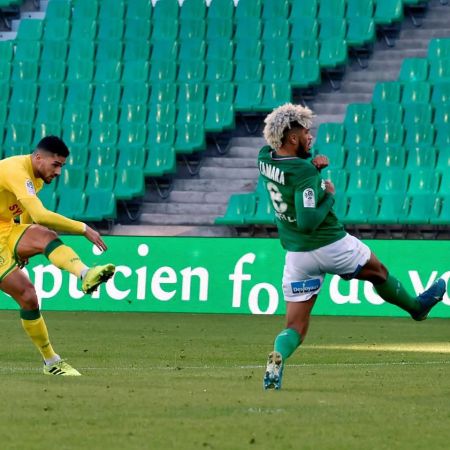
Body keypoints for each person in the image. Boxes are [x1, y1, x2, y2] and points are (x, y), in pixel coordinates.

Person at [258, 104, 446, 390]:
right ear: (292, 138)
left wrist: (312, 170)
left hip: (297, 256)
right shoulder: (304, 172)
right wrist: (328, 194)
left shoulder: (264, 159)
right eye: (306, 132)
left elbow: (291, 177)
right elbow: (308, 221)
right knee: (379, 273)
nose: (310, 136)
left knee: (295, 327)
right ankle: (417, 308)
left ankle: (278, 356)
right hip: (331, 244)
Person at [0, 136, 116, 376]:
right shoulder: (15, 171)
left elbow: (28, 215)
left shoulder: (36, 177)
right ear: (38, 158)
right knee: (27, 294)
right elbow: (40, 215)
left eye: (62, 166)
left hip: (5, 227)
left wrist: (23, 245)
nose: (59, 172)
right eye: (56, 165)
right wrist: (83, 228)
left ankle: (85, 274)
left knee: (45, 238)